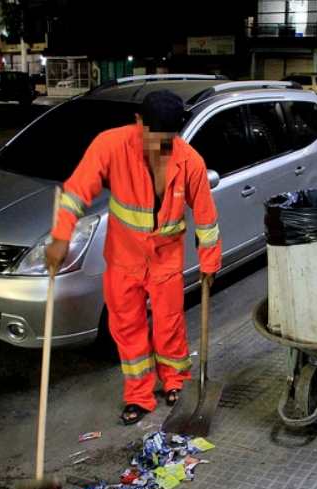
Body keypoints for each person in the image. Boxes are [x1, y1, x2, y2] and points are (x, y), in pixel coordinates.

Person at [45, 89, 222, 425]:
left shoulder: (190, 162)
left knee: (169, 326)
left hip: (165, 260)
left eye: (166, 140)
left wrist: (210, 262)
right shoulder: (109, 145)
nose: (159, 147)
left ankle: (176, 382)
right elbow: (76, 191)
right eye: (153, 137)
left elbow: (206, 216)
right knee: (127, 329)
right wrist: (60, 237)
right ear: (138, 121)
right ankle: (139, 395)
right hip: (123, 259)